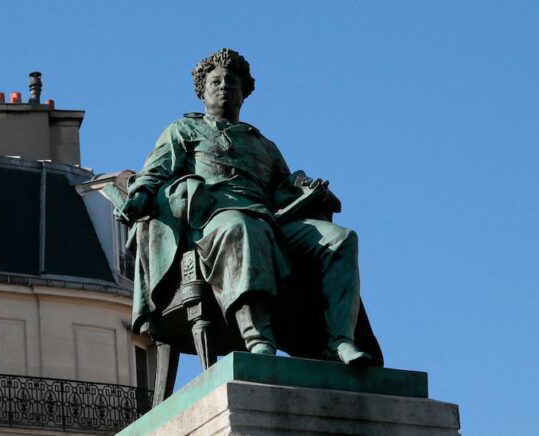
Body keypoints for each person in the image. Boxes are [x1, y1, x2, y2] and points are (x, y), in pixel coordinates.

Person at [117, 48, 375, 364]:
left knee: (341, 238)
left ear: (244, 93)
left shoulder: (262, 143)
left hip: (273, 220)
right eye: (216, 82)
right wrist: (139, 198)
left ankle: (339, 341)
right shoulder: (183, 131)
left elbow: (282, 189)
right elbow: (154, 172)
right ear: (203, 91)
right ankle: (258, 340)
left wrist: (306, 189)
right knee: (243, 228)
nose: (224, 86)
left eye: (232, 82)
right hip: (214, 220)